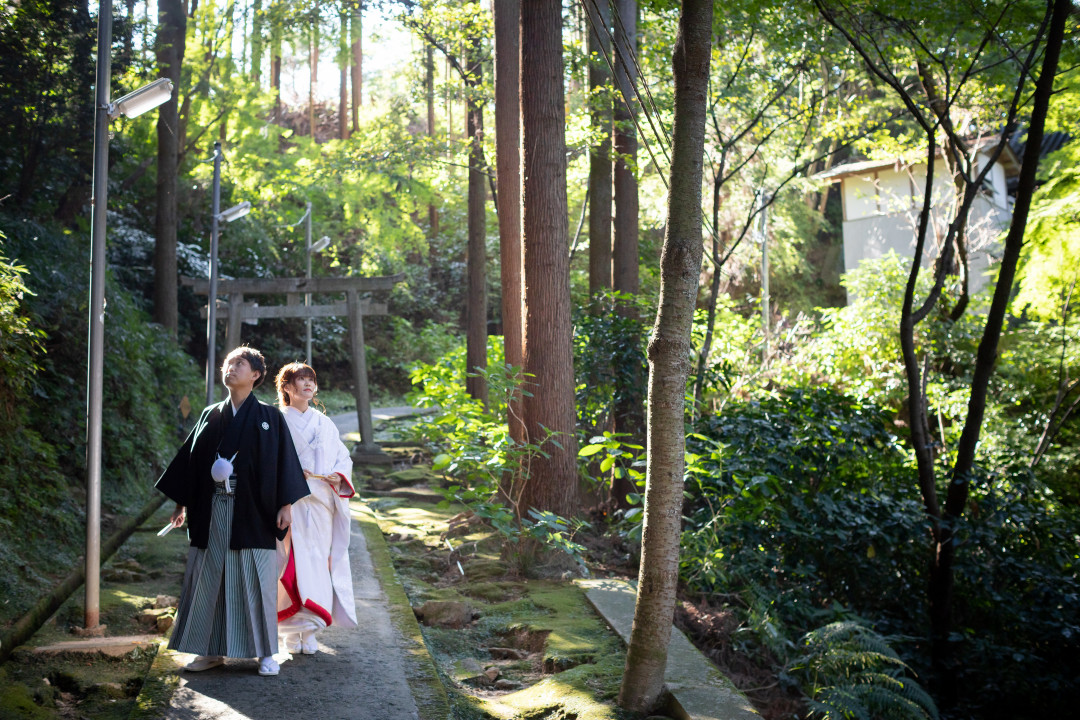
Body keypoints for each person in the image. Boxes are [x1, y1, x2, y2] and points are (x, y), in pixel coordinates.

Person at [156, 346, 310, 677]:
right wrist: (181, 503)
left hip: (253, 510)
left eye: (238, 364)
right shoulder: (211, 413)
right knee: (210, 579)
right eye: (228, 363)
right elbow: (191, 462)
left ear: (255, 375)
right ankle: (210, 651)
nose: (230, 368)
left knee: (255, 579)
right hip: (212, 508)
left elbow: (285, 462)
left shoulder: (269, 418)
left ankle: (266, 651)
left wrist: (286, 504)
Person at [274, 362, 357, 655]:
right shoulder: (275, 420)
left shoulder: (325, 423)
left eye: (311, 380)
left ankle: (309, 630)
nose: (307, 384)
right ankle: (288, 632)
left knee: (318, 562)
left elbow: (342, 457)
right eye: (300, 380)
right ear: (286, 387)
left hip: (321, 502)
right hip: (288, 503)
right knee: (287, 564)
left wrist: (338, 475)